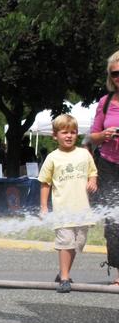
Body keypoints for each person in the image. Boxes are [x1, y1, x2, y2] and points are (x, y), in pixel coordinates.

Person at [39, 114, 98, 293]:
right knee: (66, 243)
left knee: (77, 244)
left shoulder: (84, 154)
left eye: (73, 132)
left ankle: (63, 272)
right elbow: (45, 183)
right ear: (55, 135)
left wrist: (92, 181)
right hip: (62, 211)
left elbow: (93, 172)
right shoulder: (52, 158)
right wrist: (43, 207)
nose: (69, 136)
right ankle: (65, 278)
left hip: (83, 211)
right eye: (64, 132)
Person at [89, 49, 119, 286]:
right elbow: (91, 138)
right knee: (113, 222)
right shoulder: (105, 102)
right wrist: (104, 134)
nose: (118, 77)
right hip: (109, 165)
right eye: (115, 74)